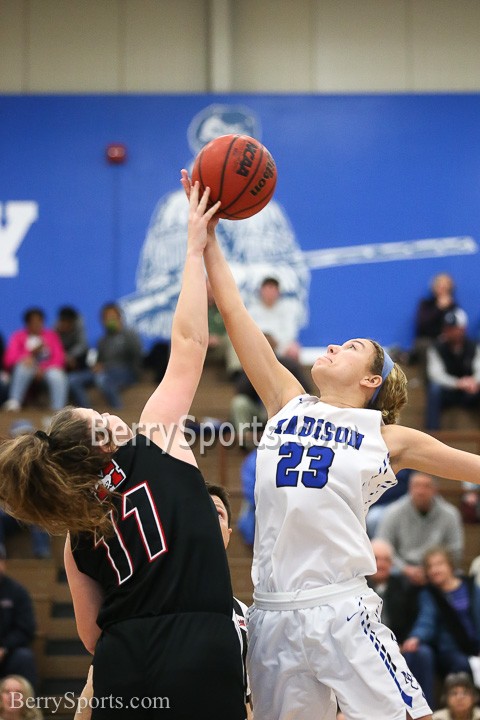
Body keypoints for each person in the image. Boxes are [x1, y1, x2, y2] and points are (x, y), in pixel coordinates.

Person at [181, 168, 480, 720]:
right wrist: (207, 237)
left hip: (341, 609)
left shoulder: (389, 437)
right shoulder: (286, 398)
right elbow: (236, 312)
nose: (336, 344)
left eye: (353, 346)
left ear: (372, 380)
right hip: (272, 614)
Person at [0, 184, 246, 719]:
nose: (113, 416)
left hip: (123, 668)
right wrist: (193, 246)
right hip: (203, 649)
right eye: (102, 419)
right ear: (98, 442)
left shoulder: (75, 530)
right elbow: (189, 343)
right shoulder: (155, 438)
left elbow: (91, 637)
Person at [72, 481, 252, 720]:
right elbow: (94, 689)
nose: (208, 516)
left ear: (229, 535)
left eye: (218, 512)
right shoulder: (144, 598)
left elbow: (246, 700)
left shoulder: (242, 615)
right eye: (201, 507)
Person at [368, 539, 435, 708]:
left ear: (392, 564)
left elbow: (415, 617)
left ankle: (425, 709)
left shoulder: (404, 586)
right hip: (367, 646)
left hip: (400, 644)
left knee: (423, 653)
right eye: (376, 558)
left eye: (386, 560)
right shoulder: (358, 587)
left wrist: (410, 639)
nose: (381, 564)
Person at [402, 547, 480, 684]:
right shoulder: (429, 594)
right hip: (451, 650)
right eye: (430, 567)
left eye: (439, 564)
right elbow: (426, 619)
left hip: (476, 644)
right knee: (461, 665)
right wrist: (416, 636)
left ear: (450, 565)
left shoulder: (470, 586)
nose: (435, 570)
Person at [376, 471, 464, 585]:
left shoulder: (450, 514)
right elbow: (382, 547)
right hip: (401, 571)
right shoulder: (393, 512)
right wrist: (404, 569)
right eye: (416, 486)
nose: (421, 491)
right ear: (409, 488)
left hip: (436, 570)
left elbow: (455, 551)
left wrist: (433, 569)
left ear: (435, 490)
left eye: (426, 486)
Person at [68, 303, 143, 409]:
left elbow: (137, 355)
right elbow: (97, 360)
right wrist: (96, 365)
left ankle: (118, 410)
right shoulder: (102, 340)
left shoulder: (130, 334)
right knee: (73, 379)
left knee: (102, 379)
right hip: (104, 371)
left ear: (120, 317)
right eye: (106, 318)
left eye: (112, 317)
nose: (109, 320)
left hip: (125, 371)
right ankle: (88, 412)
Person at [2, 308, 67, 412]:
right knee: (24, 365)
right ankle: (14, 402)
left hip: (47, 370)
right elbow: (9, 359)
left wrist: (42, 368)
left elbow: (59, 358)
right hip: (27, 369)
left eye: (39, 321)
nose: (37, 324)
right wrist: (31, 354)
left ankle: (58, 408)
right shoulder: (18, 336)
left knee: (57, 375)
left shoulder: (51, 336)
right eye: (33, 322)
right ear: (27, 323)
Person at [425, 309, 480, 430]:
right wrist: (458, 383)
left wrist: (473, 382)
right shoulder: (436, 347)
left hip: (470, 390)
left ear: (462, 329)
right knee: (434, 389)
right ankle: (432, 433)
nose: (448, 331)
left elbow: (479, 369)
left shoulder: (474, 346)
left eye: (452, 328)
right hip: (449, 391)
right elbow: (435, 375)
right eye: (446, 328)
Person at [0, 546, 37, 689]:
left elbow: (26, 628)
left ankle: (30, 709)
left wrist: (4, 648)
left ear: (4, 563)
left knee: (24, 657)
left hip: (8, 653)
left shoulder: (17, 591)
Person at [410, 273, 460, 367]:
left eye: (446, 287)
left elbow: (459, 326)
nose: (443, 290)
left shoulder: (454, 306)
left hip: (447, 340)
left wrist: (449, 336)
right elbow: (422, 324)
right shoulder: (426, 304)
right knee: (423, 345)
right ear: (434, 288)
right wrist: (439, 309)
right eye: (440, 286)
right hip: (429, 340)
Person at [248, 276, 302, 361]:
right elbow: (249, 332)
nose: (270, 293)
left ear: (278, 292)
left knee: (294, 350)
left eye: (272, 289)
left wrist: (277, 343)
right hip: (258, 346)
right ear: (261, 291)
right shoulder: (253, 310)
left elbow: (290, 333)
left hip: (281, 346)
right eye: (267, 289)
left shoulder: (286, 309)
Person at [54, 306, 89, 373]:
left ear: (73, 321)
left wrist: (70, 356)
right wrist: (64, 357)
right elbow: (54, 347)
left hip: (77, 354)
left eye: (68, 323)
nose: (65, 325)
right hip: (62, 355)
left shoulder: (79, 325)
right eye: (63, 322)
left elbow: (82, 345)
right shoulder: (55, 328)